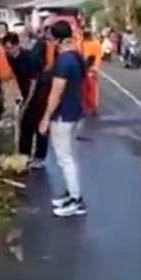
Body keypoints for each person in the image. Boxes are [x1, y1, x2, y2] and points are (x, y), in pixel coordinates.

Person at [38, 20, 87, 217]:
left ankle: (76, 201)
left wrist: (45, 118)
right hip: (75, 111)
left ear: (57, 40)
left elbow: (56, 93)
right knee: (70, 156)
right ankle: (72, 193)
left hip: (63, 115)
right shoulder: (76, 56)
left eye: (51, 38)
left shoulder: (63, 61)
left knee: (65, 159)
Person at [1, 32, 48, 168]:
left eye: (10, 48)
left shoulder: (30, 58)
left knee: (38, 124)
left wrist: (26, 104)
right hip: (26, 90)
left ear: (17, 46)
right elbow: (16, 77)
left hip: (39, 92)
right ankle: (24, 155)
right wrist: (17, 95)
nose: (7, 51)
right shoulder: (10, 58)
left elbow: (33, 84)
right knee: (24, 123)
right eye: (6, 48)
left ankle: (40, 157)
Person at [80, 28, 102, 116]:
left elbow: (98, 56)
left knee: (92, 89)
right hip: (83, 68)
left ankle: (94, 107)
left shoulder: (96, 44)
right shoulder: (80, 43)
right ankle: (85, 107)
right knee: (83, 89)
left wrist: (94, 68)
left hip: (92, 68)